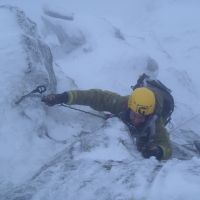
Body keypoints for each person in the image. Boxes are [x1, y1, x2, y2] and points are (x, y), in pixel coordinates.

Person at [42, 74, 173, 160]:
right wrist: (64, 97)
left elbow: (167, 147)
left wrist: (158, 151)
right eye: (134, 115)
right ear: (129, 108)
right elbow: (96, 96)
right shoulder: (123, 103)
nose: (137, 120)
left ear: (149, 115)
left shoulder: (156, 123)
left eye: (142, 117)